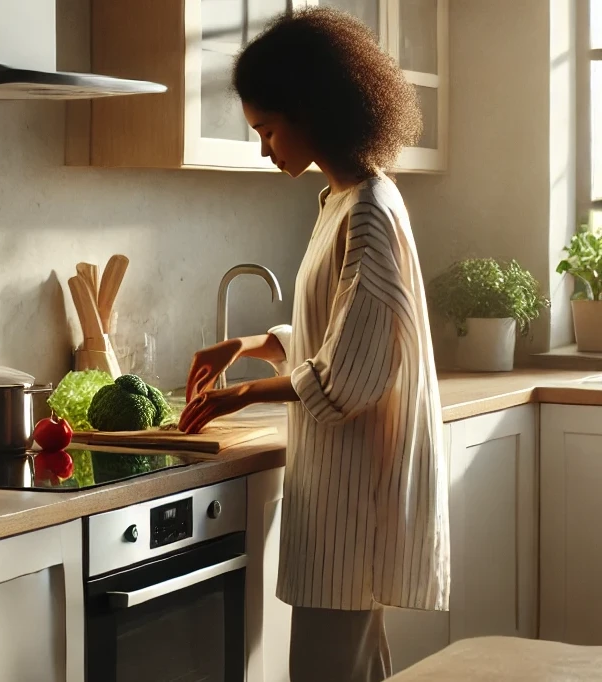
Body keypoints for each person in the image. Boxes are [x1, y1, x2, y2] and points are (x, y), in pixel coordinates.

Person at [179, 8, 449, 682]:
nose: (265, 148)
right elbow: (339, 331)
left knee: (333, 671)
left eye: (268, 129)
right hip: (341, 495)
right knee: (354, 667)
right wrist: (246, 345)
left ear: (309, 111)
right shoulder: (343, 200)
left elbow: (347, 376)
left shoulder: (369, 211)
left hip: (354, 502)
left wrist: (239, 394)